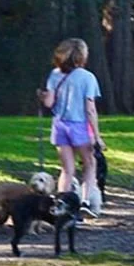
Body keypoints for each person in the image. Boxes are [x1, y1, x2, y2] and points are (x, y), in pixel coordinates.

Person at [43, 38, 103, 213]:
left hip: (60, 125)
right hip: (80, 126)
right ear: (82, 56)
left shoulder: (55, 74)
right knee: (89, 164)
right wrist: (97, 136)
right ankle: (84, 201)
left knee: (67, 169)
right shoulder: (88, 77)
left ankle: (61, 204)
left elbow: (48, 103)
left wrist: (42, 96)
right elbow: (90, 109)